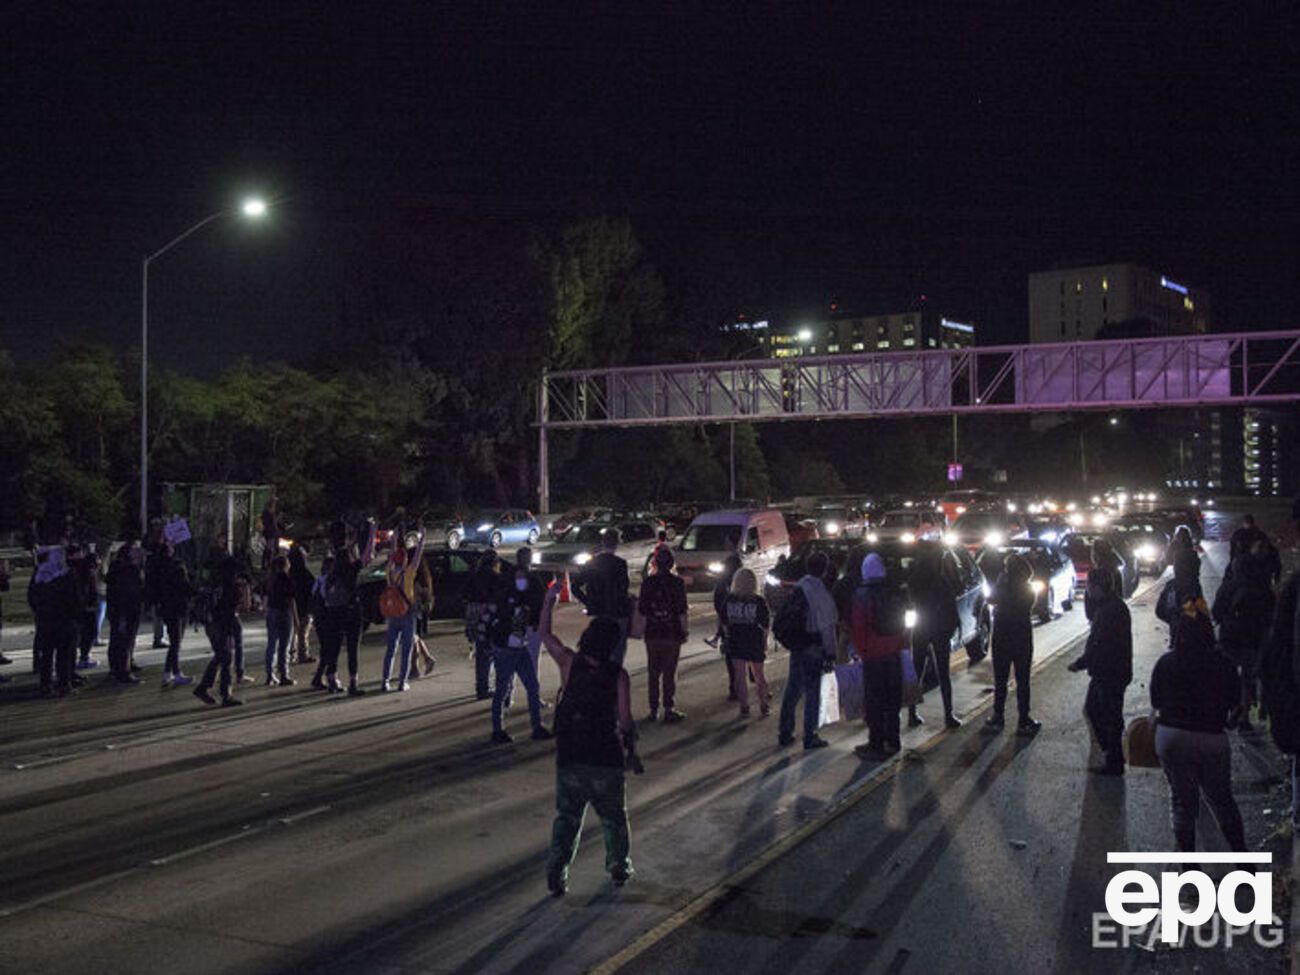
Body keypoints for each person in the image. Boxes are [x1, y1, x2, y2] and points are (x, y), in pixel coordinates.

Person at [538, 585, 637, 896]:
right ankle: (619, 866)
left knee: (567, 817)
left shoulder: (569, 663)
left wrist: (548, 602)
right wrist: (631, 751)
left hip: (571, 755)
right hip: (605, 756)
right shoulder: (618, 677)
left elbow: (545, 635)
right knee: (613, 818)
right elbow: (625, 720)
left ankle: (557, 871)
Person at [1149, 587, 1247, 852]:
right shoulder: (1223, 663)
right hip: (1211, 737)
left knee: (1182, 802)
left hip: (1172, 737)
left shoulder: (1166, 663)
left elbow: (1156, 701)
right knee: (1222, 801)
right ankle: (1244, 864)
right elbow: (1235, 704)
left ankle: (1190, 870)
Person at [1067, 566, 1132, 774]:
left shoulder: (1109, 611)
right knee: (1100, 711)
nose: (1087, 591)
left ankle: (1114, 758)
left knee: (1105, 714)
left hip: (1109, 671)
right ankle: (1112, 755)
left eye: (1089, 587)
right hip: (1111, 670)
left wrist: (1080, 663)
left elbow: (1099, 644)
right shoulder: (1110, 607)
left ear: (1097, 586)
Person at [488, 549, 552, 743]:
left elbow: (531, 611)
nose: (522, 580)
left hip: (518, 646)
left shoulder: (523, 594)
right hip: (507, 648)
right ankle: (498, 729)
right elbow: (507, 618)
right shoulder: (508, 597)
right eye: (520, 577)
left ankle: (536, 726)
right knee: (502, 689)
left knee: (532, 686)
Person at [1213, 539, 1275, 732]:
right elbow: (1271, 616)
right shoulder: (1264, 588)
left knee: (1227, 677)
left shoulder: (1229, 586)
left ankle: (1227, 710)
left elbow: (1216, 611)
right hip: (1253, 641)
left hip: (1230, 639)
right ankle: (1244, 716)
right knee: (1247, 680)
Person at [777, 550, 837, 750]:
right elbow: (827, 628)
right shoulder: (821, 594)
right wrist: (831, 653)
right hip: (813, 646)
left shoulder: (799, 588)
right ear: (825, 570)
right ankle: (810, 735)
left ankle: (785, 731)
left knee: (793, 689)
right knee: (812, 693)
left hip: (798, 645)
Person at [850, 553, 908, 758]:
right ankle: (894, 740)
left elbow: (859, 627)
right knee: (892, 701)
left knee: (874, 701)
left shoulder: (862, 595)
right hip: (893, 653)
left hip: (873, 655)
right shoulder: (895, 591)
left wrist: (860, 652)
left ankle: (875, 743)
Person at [313, 518, 376, 696]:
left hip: (333, 610)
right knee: (352, 647)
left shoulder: (334, 563)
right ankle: (353, 683)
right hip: (351, 608)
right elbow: (368, 556)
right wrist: (371, 531)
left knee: (333, 645)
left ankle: (332, 679)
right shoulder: (350, 563)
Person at [906, 542, 961, 729]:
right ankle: (948, 714)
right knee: (943, 673)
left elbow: (911, 599)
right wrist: (952, 625)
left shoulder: (917, 578)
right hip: (938, 628)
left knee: (917, 670)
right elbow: (951, 604)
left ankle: (912, 713)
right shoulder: (941, 579)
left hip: (922, 626)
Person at [986, 553, 1041, 734]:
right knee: (1023, 680)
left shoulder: (1003, 588)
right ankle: (1023, 719)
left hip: (1002, 636)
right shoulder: (1028, 589)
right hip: (1022, 637)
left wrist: (1000, 583)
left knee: (1000, 680)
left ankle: (998, 716)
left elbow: (990, 599)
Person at [637, 546, 690, 722]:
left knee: (653, 671)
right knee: (669, 672)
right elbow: (682, 611)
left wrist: (640, 630)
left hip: (652, 632)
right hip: (671, 632)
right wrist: (684, 631)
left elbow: (642, 611)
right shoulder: (677, 583)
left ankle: (653, 709)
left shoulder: (648, 583)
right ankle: (668, 707)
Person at [193, 555, 250, 708]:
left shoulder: (214, 584)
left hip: (211, 625)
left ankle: (204, 687)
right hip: (223, 626)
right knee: (226, 659)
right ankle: (225, 694)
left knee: (221, 657)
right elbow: (233, 608)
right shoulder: (230, 587)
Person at [571, 528, 632, 665]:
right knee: (617, 652)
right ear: (617, 543)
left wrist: (588, 602)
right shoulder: (620, 564)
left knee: (600, 650)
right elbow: (623, 588)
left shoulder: (593, 563)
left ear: (603, 542)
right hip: (617, 613)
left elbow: (575, 587)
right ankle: (614, 681)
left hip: (599, 613)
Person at [29, 546, 80, 697]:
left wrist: (39, 611)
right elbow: (74, 596)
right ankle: (64, 684)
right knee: (64, 654)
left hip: (45, 620)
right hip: (64, 620)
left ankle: (46, 685)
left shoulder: (40, 574)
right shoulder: (66, 574)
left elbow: (32, 596)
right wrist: (75, 613)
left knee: (47, 654)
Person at [381, 526, 426, 692]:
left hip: (393, 615)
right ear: (405, 560)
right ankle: (402, 682)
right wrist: (422, 539)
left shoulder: (389, 573)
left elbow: (393, 557)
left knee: (390, 650)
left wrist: (394, 541)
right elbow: (418, 556)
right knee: (406, 650)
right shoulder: (408, 573)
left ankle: (385, 681)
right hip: (407, 614)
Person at [723, 567, 770, 718]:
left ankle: (744, 706)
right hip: (754, 639)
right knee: (759, 675)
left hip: (736, 639)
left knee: (739, 676)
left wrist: (728, 635)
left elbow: (723, 621)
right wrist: (764, 641)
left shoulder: (730, 600)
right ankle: (763, 705)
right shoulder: (758, 601)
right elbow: (765, 624)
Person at [154, 546, 194, 687]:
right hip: (178, 607)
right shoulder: (177, 567)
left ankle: (168, 672)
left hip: (167, 608)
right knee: (176, 642)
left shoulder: (159, 569)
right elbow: (185, 586)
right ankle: (174, 672)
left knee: (174, 641)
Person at [104, 543, 144, 684]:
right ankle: (123, 670)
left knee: (119, 639)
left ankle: (117, 667)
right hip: (126, 610)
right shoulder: (127, 572)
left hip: (120, 610)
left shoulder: (118, 570)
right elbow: (127, 593)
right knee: (124, 640)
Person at [464, 550, 501, 700]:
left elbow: (464, 593)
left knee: (481, 652)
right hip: (487, 615)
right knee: (489, 653)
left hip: (473, 615)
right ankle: (484, 687)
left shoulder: (474, 575)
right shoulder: (494, 576)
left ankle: (482, 685)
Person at [710, 553, 743, 695]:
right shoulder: (743, 584)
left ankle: (734, 686)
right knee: (745, 655)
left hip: (728, 626)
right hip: (742, 625)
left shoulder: (722, 585)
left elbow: (718, 605)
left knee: (731, 657)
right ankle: (744, 684)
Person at [263, 554, 295, 686]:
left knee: (271, 644)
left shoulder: (270, 579)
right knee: (284, 644)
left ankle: (270, 674)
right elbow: (292, 596)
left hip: (272, 611)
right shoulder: (285, 578)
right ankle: (284, 674)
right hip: (283, 611)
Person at [71, 547, 101, 670]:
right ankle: (84, 657)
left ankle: (83, 656)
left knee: (87, 633)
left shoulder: (85, 573)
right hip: (87, 608)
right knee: (89, 632)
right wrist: (87, 605)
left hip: (87, 607)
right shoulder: (88, 574)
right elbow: (87, 591)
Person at [287, 545, 317, 665]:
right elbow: (312, 587)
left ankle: (291, 654)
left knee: (294, 630)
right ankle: (303, 654)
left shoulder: (290, 573)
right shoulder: (305, 573)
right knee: (303, 631)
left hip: (293, 604)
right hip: (304, 605)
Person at [260, 496, 281, 572]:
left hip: (274, 533)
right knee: (269, 548)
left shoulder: (273, 512)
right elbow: (267, 523)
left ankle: (272, 564)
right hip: (270, 533)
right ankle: (267, 564)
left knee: (274, 548)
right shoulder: (267, 512)